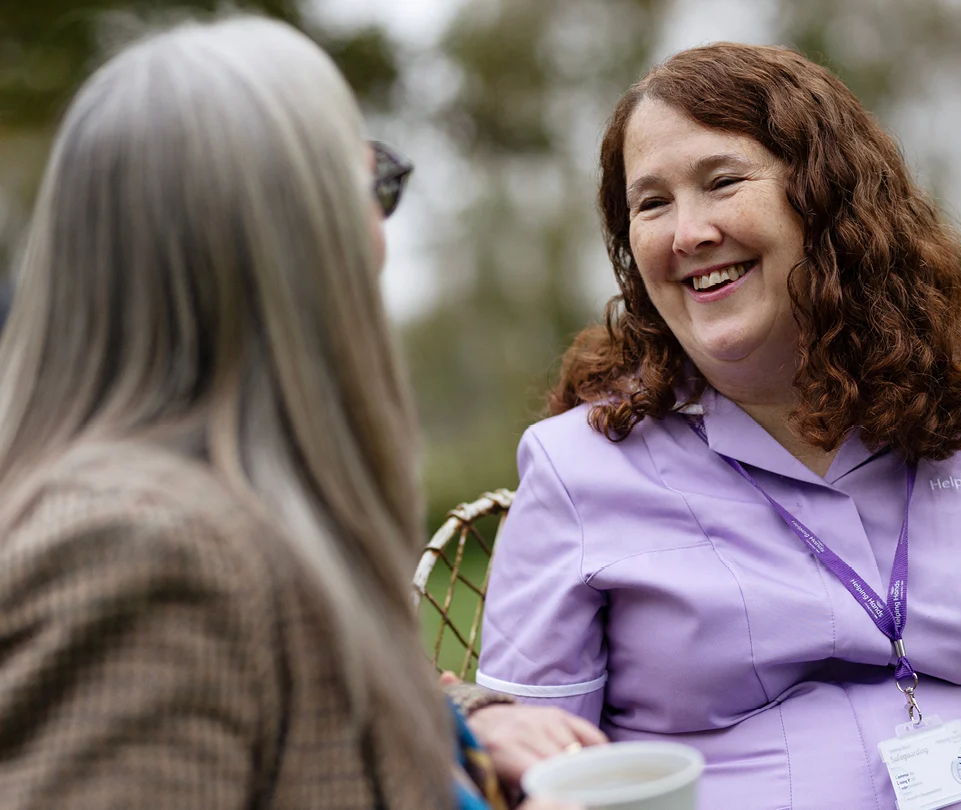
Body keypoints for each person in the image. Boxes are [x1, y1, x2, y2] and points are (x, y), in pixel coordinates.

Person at [0, 15, 600, 810]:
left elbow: (283, 692)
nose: (382, 235)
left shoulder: (232, 503)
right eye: (368, 188)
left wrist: (461, 720)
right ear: (276, 238)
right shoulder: (141, 552)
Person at [477, 42, 961, 810]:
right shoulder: (579, 467)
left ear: (827, 199)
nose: (686, 233)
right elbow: (534, 767)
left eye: (722, 182)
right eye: (651, 203)